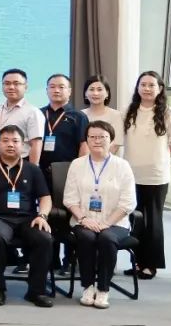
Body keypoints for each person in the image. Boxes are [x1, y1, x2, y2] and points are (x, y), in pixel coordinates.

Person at [0, 125, 53, 307]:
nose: (10, 145)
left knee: (44, 238)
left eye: (15, 141)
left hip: (28, 218)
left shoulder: (33, 169)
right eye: (5, 141)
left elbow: (45, 197)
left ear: (23, 145)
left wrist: (42, 215)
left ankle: (37, 291)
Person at [64, 120, 137, 309]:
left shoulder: (122, 166)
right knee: (86, 237)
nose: (97, 141)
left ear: (111, 139)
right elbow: (70, 199)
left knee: (107, 238)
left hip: (115, 223)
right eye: (92, 137)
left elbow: (128, 203)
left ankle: (103, 289)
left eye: (102, 137)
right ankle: (88, 287)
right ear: (87, 140)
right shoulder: (77, 164)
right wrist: (84, 219)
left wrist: (107, 223)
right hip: (83, 220)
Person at [121, 71, 171, 280]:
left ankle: (151, 265)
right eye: (143, 84)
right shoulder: (129, 111)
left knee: (153, 222)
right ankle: (138, 262)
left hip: (156, 177)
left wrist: (159, 160)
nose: (147, 89)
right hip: (131, 175)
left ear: (160, 88)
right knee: (135, 221)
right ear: (137, 87)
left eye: (151, 85)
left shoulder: (168, 113)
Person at [0, 69, 44, 164]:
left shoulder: (33, 112)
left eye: (16, 83)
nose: (11, 87)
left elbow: (36, 144)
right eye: (7, 83)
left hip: (20, 163)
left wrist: (32, 169)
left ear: (25, 87)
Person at [39, 74, 89, 179]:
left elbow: (84, 145)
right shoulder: (38, 114)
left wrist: (79, 171)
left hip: (67, 170)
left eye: (61, 87)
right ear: (46, 90)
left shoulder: (79, 116)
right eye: (52, 87)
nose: (56, 90)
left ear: (69, 91)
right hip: (40, 170)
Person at [82, 75, 124, 155]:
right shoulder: (80, 115)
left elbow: (115, 144)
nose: (95, 93)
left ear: (107, 93)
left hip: (109, 160)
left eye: (99, 89)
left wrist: (97, 160)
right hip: (84, 161)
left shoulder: (116, 115)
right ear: (85, 94)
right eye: (91, 89)